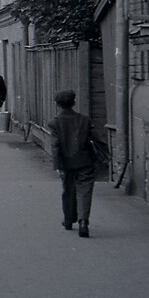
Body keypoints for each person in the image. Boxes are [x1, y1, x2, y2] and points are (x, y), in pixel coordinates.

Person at [49, 89, 103, 238]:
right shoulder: (85, 120)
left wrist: (57, 166)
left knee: (68, 191)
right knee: (84, 191)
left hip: (66, 163)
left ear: (57, 104)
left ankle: (68, 220)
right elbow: (97, 139)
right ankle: (83, 221)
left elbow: (55, 146)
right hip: (85, 160)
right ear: (73, 103)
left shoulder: (54, 123)